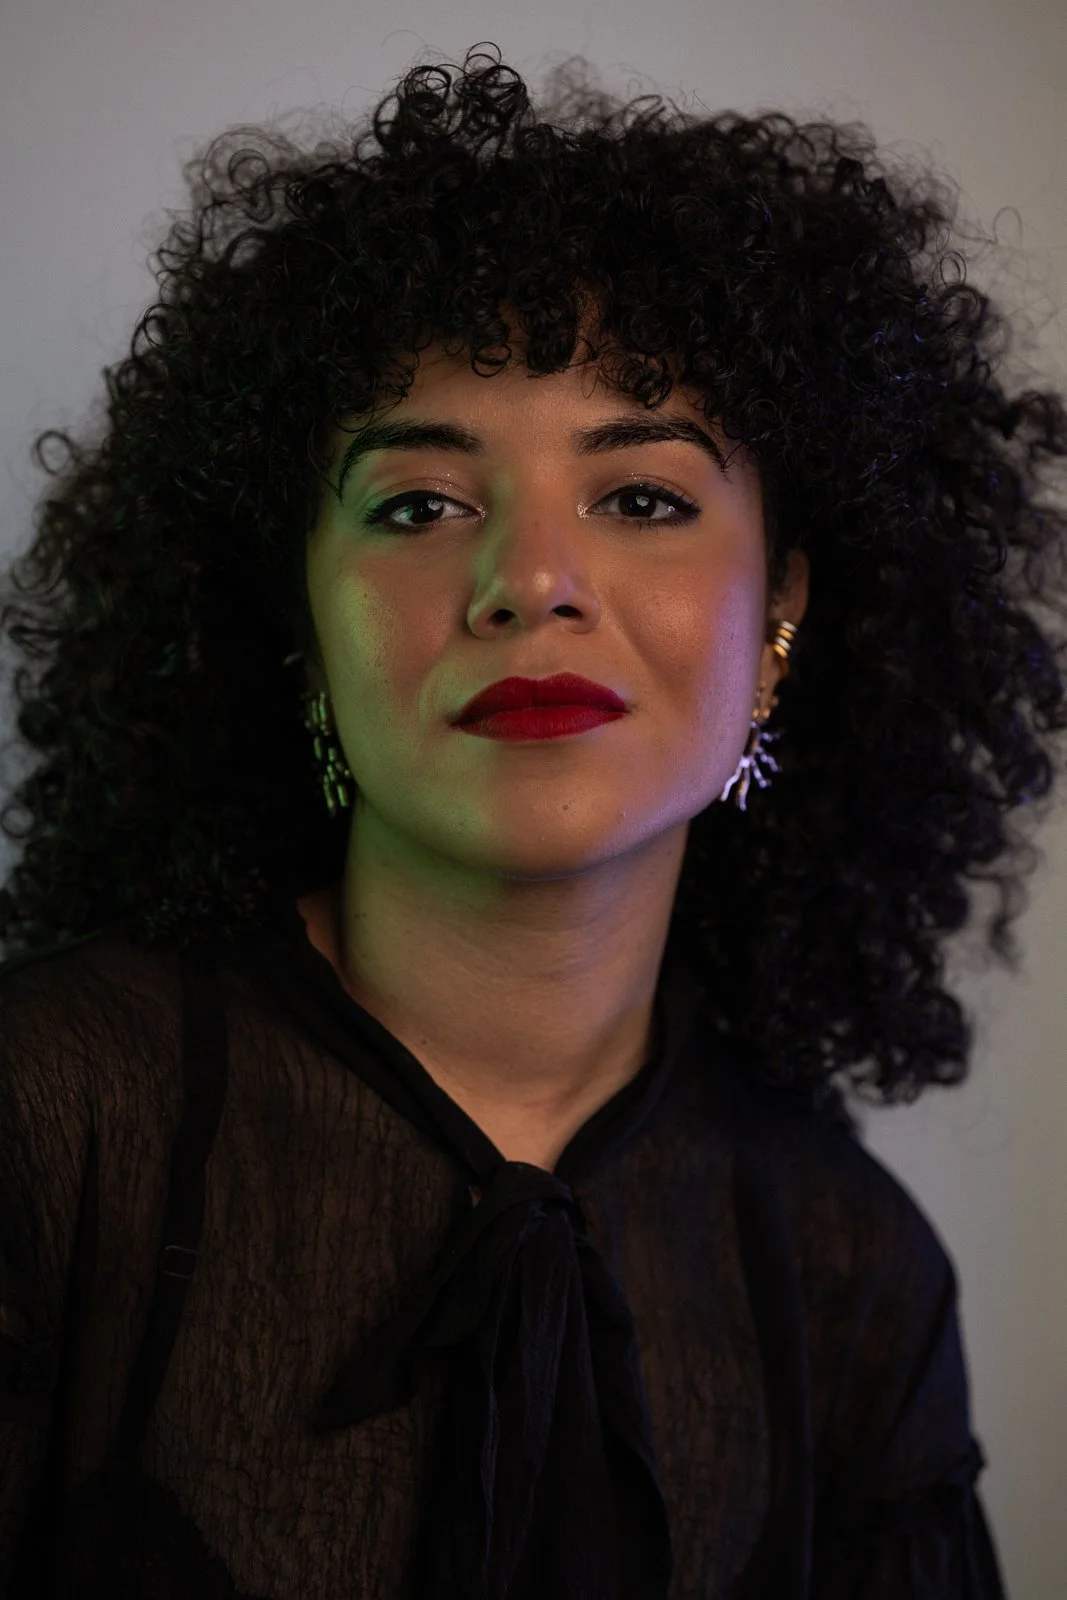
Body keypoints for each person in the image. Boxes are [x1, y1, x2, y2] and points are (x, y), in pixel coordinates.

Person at [0, 41, 1063, 1600]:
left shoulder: (848, 1274)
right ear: (301, 629)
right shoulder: (45, 1121)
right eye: (421, 504)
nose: (529, 578)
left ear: (783, 617)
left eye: (641, 498)